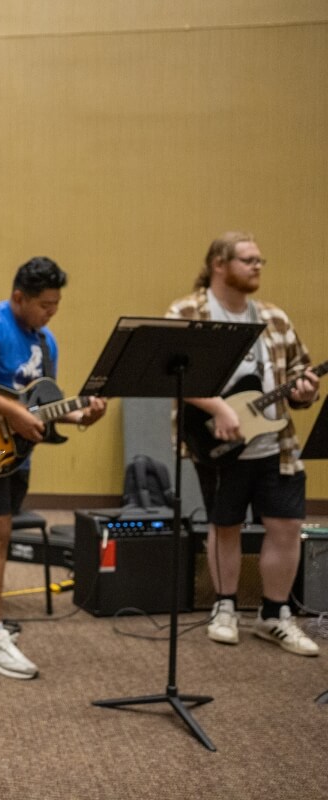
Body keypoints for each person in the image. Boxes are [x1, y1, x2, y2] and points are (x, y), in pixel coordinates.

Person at [0, 257, 107, 679]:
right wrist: (11, 413)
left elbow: (39, 408)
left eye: (56, 305)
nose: (51, 312)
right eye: (45, 305)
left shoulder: (46, 342)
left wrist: (81, 415)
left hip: (15, 453)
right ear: (18, 297)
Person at [166, 232, 320, 657]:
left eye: (260, 260)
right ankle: (225, 606)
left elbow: (300, 374)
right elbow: (169, 373)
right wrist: (218, 408)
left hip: (276, 441)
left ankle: (274, 615)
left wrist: (304, 393)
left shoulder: (274, 316)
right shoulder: (187, 311)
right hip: (217, 441)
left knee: (286, 525)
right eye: (248, 259)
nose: (257, 267)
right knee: (225, 523)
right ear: (219, 263)